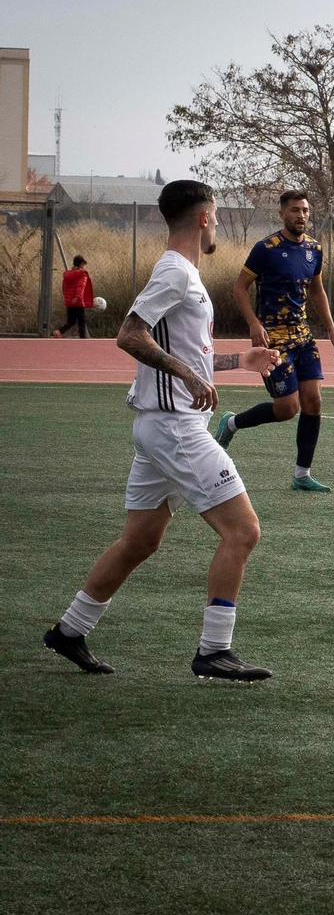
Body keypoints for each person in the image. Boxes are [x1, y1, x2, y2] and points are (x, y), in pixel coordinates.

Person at [41, 180, 280, 680]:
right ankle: (214, 650)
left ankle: (69, 630)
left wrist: (240, 360)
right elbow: (130, 334)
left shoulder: (183, 273)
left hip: (159, 427)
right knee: (243, 531)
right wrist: (186, 374)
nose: (217, 223)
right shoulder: (175, 272)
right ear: (204, 217)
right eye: (216, 215)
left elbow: (189, 353)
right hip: (176, 429)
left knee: (140, 541)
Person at [213, 190, 334, 492]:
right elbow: (239, 288)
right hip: (274, 340)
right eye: (295, 210)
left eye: (305, 210)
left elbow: (316, 290)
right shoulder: (266, 248)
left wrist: (331, 329)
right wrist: (253, 323)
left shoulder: (314, 249)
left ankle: (302, 475)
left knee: (313, 402)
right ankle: (231, 423)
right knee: (287, 409)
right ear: (282, 213)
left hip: (304, 337)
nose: (301, 215)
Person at [54, 255, 93, 338]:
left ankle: (59, 332)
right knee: (81, 321)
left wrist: (67, 297)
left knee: (71, 321)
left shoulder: (67, 274)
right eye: (83, 265)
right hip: (78, 301)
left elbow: (64, 287)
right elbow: (81, 287)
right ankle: (82, 338)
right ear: (81, 264)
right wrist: (78, 297)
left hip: (69, 301)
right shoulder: (82, 274)